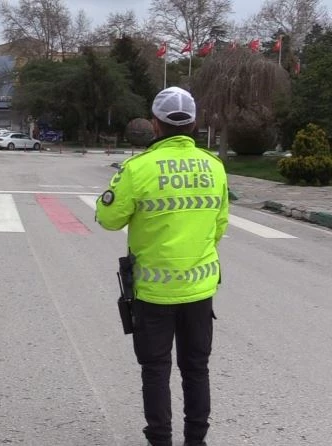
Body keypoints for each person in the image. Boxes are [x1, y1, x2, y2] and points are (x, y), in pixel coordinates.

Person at [95, 87, 229, 446]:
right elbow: (219, 225)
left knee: (156, 371)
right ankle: (196, 441)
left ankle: (160, 440)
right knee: (196, 369)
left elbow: (108, 218)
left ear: (155, 124)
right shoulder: (215, 167)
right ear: (194, 123)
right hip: (199, 291)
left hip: (153, 294)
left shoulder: (138, 169)